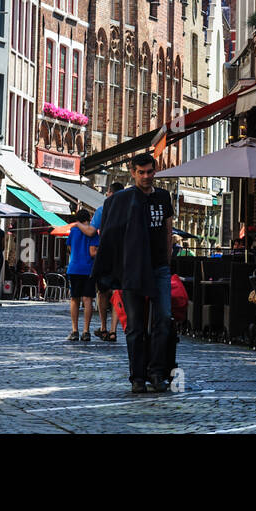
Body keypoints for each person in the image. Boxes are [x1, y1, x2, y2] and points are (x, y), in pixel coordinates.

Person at [91, 156, 173, 393]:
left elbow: (168, 229)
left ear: (155, 171)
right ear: (133, 172)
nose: (146, 176)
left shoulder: (163, 197)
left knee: (163, 319)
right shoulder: (123, 200)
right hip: (133, 268)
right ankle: (137, 376)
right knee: (135, 325)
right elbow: (110, 234)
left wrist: (167, 260)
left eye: (149, 172)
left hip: (159, 267)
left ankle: (156, 372)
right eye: (141, 172)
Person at [90, 181, 124, 342]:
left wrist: (78, 226)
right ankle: (113, 330)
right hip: (122, 256)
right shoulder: (128, 210)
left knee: (102, 292)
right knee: (117, 292)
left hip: (105, 255)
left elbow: (91, 231)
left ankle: (103, 327)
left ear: (110, 193)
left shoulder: (102, 209)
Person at [66, 208, 98, 341]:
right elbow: (92, 252)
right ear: (88, 219)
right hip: (88, 269)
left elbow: (70, 248)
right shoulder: (92, 232)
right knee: (87, 300)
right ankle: (86, 331)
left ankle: (74, 330)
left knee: (74, 299)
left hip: (74, 268)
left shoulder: (73, 231)